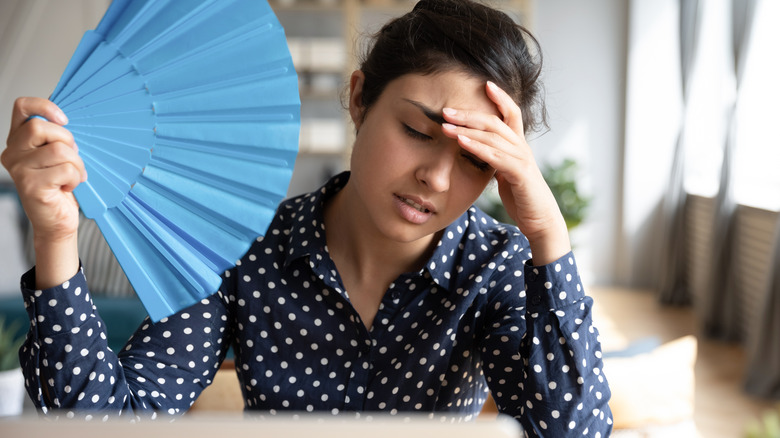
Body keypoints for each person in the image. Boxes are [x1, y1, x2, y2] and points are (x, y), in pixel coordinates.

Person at [2, 0, 613, 435]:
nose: (438, 178)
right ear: (358, 98)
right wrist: (56, 235)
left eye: (478, 161)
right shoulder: (245, 248)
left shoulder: (496, 267)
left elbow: (573, 433)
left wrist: (547, 235)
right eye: (417, 131)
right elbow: (103, 423)